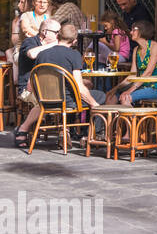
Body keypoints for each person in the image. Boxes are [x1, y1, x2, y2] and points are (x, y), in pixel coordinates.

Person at [14, 20, 104, 148]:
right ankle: (91, 136)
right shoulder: (74, 55)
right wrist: (94, 103)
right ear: (74, 41)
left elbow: (31, 84)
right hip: (66, 102)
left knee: (75, 94)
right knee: (99, 95)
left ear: (58, 36)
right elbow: (79, 88)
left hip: (45, 100)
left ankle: (65, 131)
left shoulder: (42, 54)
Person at [105, 20, 157, 106]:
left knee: (126, 97)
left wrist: (129, 90)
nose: (130, 32)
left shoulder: (155, 46)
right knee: (111, 97)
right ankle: (112, 119)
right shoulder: (136, 50)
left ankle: (132, 119)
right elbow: (133, 74)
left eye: (134, 30)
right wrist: (115, 89)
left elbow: (148, 72)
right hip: (140, 86)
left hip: (155, 88)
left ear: (142, 31)